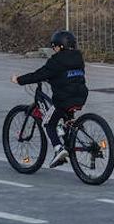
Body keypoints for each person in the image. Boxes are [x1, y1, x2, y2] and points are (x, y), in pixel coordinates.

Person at [11, 29, 88, 167]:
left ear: (60, 46)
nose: (54, 50)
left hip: (63, 99)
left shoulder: (56, 60)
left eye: (55, 47)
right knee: (66, 119)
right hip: (80, 96)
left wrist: (19, 80)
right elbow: (68, 75)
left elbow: (39, 74)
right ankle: (66, 136)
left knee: (48, 123)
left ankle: (59, 149)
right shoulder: (78, 57)